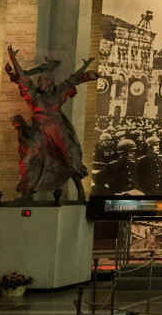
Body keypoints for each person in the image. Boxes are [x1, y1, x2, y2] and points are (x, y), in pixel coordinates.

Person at [5, 46, 98, 202]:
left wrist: (86, 68)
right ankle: (28, 190)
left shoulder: (58, 94)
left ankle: (80, 188)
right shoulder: (34, 96)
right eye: (39, 81)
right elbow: (22, 78)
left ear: (50, 83)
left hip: (56, 130)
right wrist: (13, 59)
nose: (40, 82)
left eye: (44, 81)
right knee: (29, 157)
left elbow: (73, 79)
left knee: (69, 157)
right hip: (39, 131)